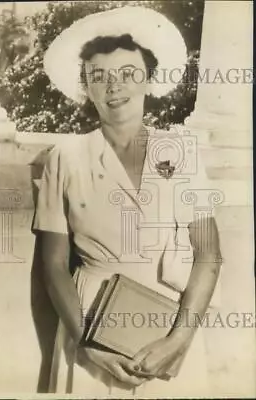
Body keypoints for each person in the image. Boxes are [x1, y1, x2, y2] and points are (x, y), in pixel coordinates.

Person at [33, 6, 222, 397]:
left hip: (169, 322)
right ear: (85, 87)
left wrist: (179, 341)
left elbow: (208, 253)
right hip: (88, 320)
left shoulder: (180, 151)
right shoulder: (65, 158)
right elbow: (52, 265)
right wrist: (88, 341)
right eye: (98, 77)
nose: (113, 86)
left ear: (148, 78)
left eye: (126, 73)